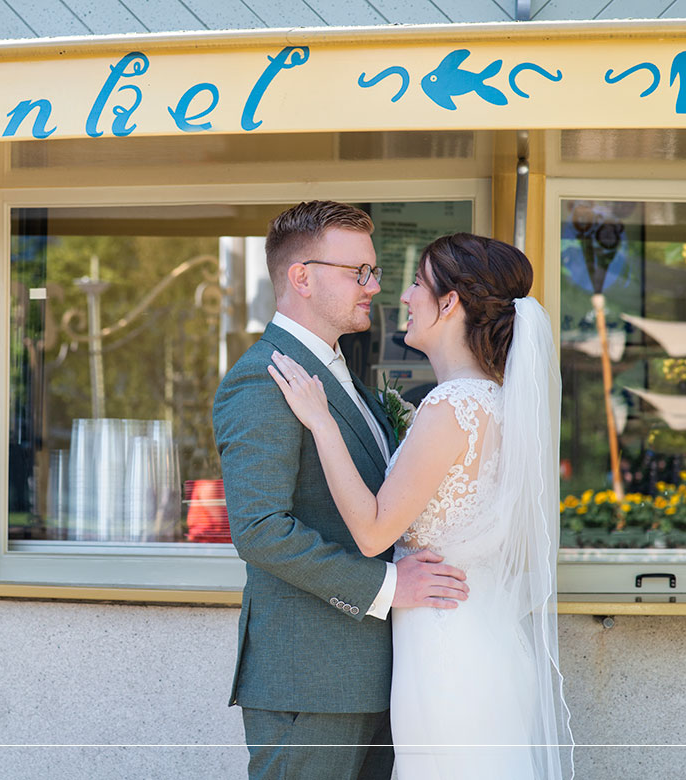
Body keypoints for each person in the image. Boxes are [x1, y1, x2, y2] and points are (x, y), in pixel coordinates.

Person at [268, 232, 574, 779]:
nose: (403, 297)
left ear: (449, 302)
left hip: (446, 653)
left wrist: (321, 422)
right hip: (485, 640)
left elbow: (371, 532)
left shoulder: (451, 405)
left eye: (415, 283)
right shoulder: (500, 402)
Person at [212, 201, 472, 780]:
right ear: (301, 277)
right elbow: (260, 530)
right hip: (312, 680)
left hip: (378, 674)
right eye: (359, 273)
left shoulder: (342, 375)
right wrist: (387, 584)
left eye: (373, 272)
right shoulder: (263, 379)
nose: (374, 287)